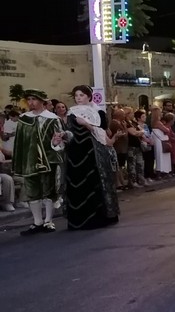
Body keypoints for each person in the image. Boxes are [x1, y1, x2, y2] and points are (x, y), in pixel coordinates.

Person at [62, 85, 120, 229]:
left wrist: (87, 125)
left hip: (94, 152)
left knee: (95, 182)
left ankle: (99, 218)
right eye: (76, 96)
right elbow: (70, 133)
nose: (78, 98)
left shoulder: (98, 112)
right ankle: (78, 220)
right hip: (76, 153)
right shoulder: (72, 113)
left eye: (81, 95)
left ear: (89, 96)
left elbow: (102, 134)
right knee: (77, 183)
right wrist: (62, 136)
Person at [12, 90, 64, 234]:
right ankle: (37, 222)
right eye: (28, 99)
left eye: (34, 99)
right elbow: (20, 143)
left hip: (49, 160)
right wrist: (20, 161)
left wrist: (56, 142)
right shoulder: (23, 119)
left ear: (42, 101)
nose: (31, 102)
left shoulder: (52, 118)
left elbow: (59, 143)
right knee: (32, 191)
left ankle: (48, 221)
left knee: (49, 190)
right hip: (30, 160)